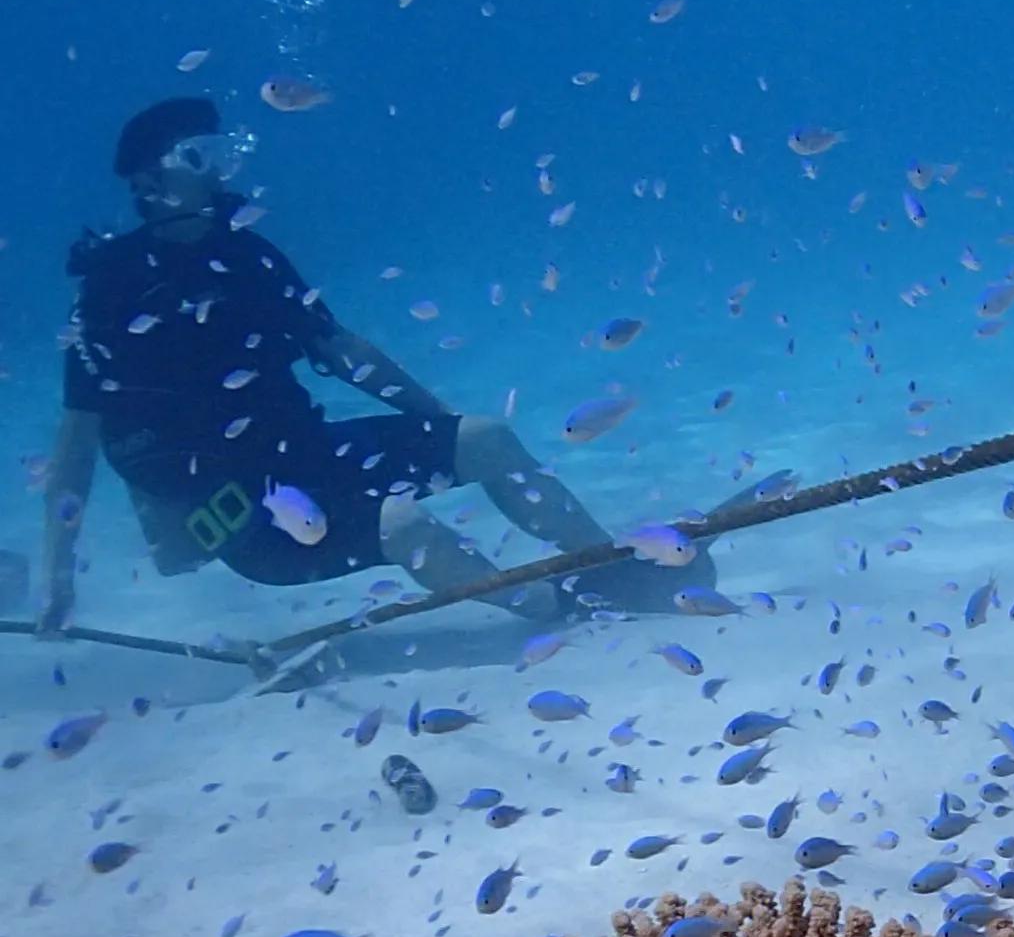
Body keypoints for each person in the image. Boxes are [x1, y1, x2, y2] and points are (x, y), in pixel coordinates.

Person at [34, 96, 672, 632]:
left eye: (221, 155)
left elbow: (341, 351)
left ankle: (606, 565)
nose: (221, 173)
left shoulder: (249, 255)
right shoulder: (112, 289)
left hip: (303, 450)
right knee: (402, 522)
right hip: (237, 507)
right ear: (147, 184)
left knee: (489, 438)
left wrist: (443, 426)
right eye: (200, 157)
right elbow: (77, 442)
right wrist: (58, 579)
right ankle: (562, 611)